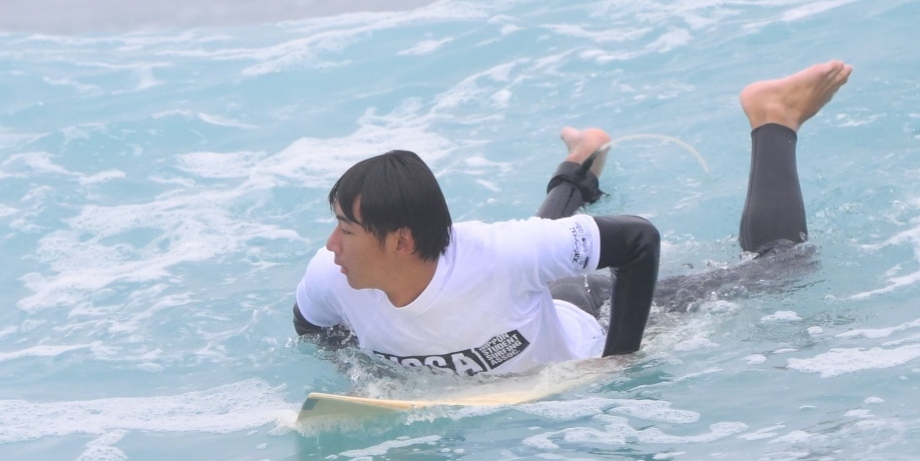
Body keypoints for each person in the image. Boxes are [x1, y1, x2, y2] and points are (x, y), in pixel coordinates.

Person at [292, 61, 852, 377]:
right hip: (529, 298)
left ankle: (773, 117)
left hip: (588, 316)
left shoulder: (499, 255)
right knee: (538, 258)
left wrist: (618, 358)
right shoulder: (331, 279)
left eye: (346, 229)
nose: (331, 245)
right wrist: (364, 373)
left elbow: (638, 240)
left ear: (401, 241)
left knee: (781, 269)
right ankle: (583, 156)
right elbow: (311, 327)